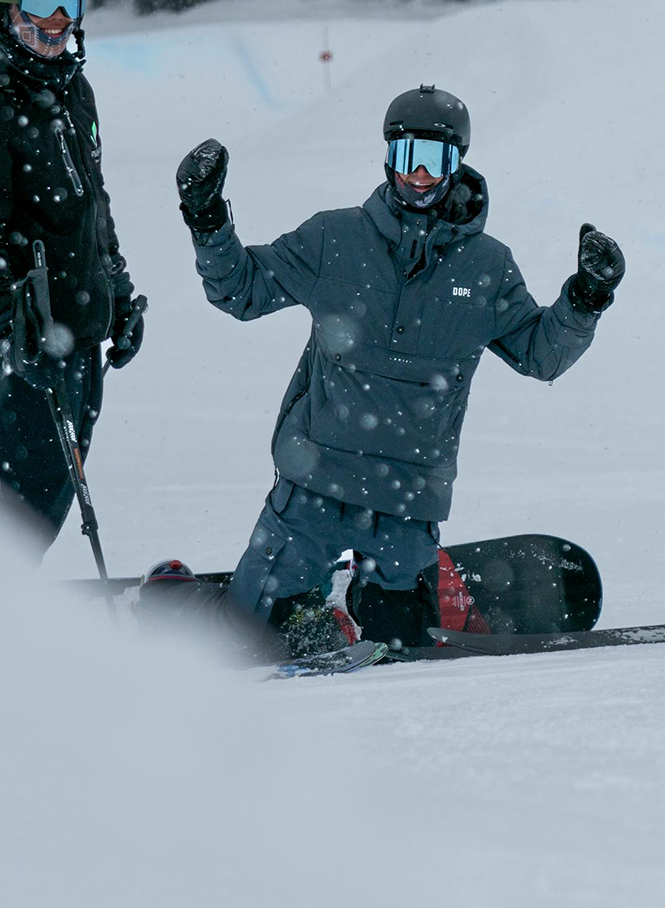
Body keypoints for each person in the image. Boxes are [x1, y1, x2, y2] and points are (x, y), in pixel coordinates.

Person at [155, 86, 625, 655]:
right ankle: (175, 594)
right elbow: (242, 290)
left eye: (436, 160)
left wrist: (585, 299)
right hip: (314, 487)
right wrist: (207, 219)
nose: (420, 176)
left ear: (459, 164)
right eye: (409, 157)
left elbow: (540, 354)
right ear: (387, 158)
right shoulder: (335, 238)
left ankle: (365, 599)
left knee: (397, 649)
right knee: (240, 640)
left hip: (409, 498)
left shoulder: (486, 267)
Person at [0, 0, 144, 556]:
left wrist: (116, 292)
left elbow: (92, 206)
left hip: (76, 331)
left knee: (49, 493)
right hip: (22, 336)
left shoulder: (73, 90)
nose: (55, 22)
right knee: (28, 497)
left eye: (69, 1)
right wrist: (7, 322)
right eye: (37, 5)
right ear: (5, 8)